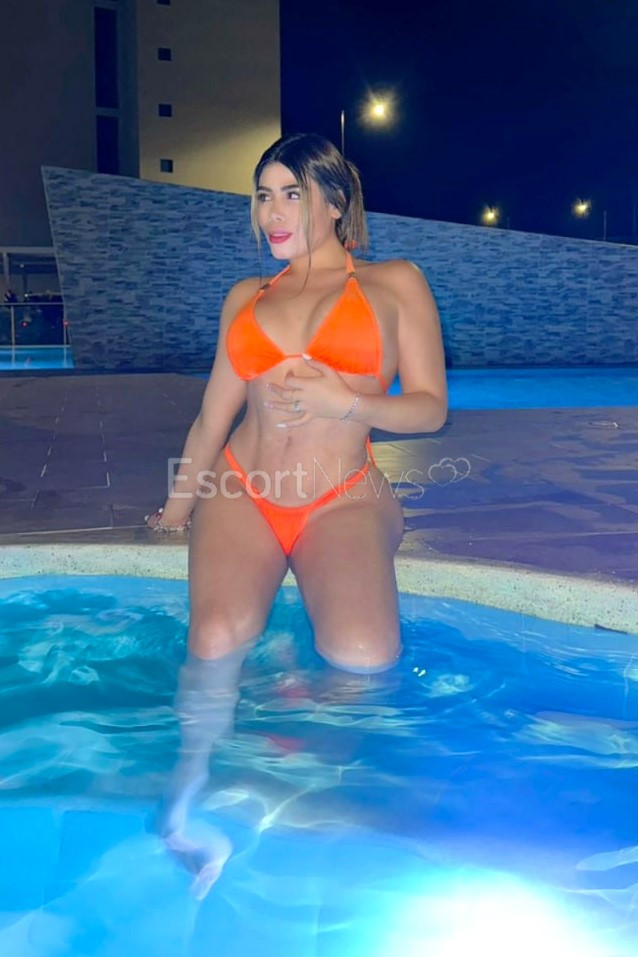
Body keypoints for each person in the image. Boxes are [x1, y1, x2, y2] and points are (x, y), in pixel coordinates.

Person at [146, 132, 447, 897]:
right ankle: (184, 806)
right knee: (215, 637)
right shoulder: (247, 297)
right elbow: (213, 415)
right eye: (262, 195)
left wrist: (345, 401)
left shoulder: (394, 282)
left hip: (339, 494)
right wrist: (178, 504)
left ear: (335, 202)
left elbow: (429, 408)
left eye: (291, 193)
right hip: (243, 487)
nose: (272, 212)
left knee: (363, 656)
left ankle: (290, 781)